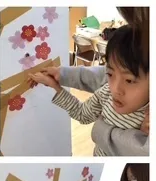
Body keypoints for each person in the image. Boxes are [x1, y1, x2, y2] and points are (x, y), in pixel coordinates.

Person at [31, 7, 149, 156]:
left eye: (129, 81)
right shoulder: (106, 93)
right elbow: (82, 114)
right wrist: (56, 87)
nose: (116, 89)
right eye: (110, 74)